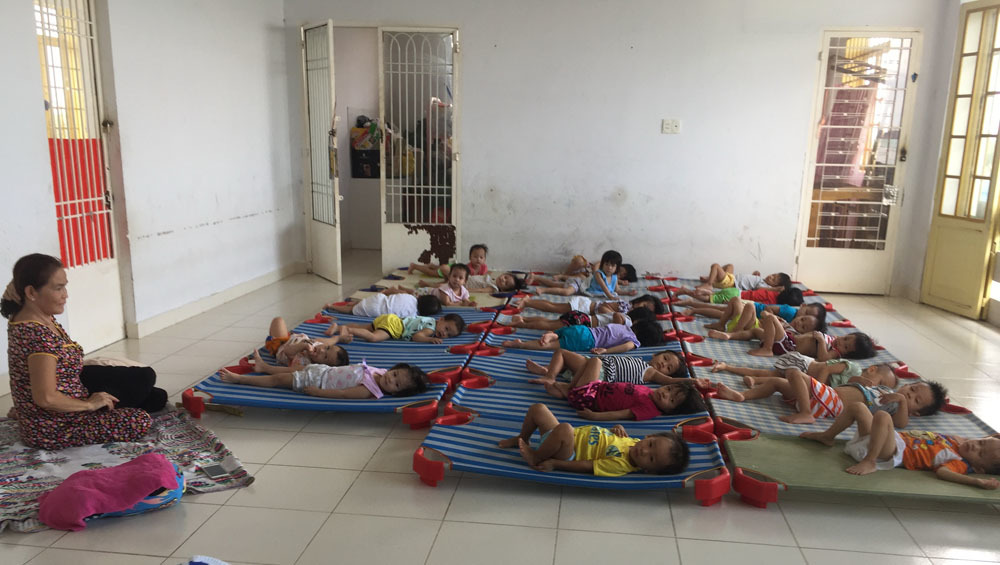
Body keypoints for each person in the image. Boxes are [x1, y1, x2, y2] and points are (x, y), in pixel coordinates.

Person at [2, 253, 162, 450]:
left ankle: (108, 404)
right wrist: (89, 405)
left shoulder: (31, 313)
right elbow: (45, 398)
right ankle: (102, 408)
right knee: (140, 419)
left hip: (71, 384)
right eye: (58, 288)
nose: (65, 295)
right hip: (54, 426)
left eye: (64, 286)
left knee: (155, 394)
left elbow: (21, 285)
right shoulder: (38, 336)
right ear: (31, 292)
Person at [800, 402, 1000, 487]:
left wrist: (976, 482)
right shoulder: (958, 443)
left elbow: (943, 472)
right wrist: (993, 439)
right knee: (857, 407)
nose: (975, 447)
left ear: (978, 468)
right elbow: (981, 442)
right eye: (981, 442)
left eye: (980, 454)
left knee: (882, 416)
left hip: (893, 452)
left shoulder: (959, 462)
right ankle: (827, 436)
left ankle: (870, 461)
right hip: (886, 439)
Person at [497, 403, 690, 476]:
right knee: (538, 409)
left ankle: (536, 457)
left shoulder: (622, 464)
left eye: (651, 458)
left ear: (649, 470)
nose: (644, 451)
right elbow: (616, 439)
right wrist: (618, 428)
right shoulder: (634, 442)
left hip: (567, 452)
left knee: (565, 429)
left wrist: (556, 464)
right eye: (650, 444)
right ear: (649, 436)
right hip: (560, 437)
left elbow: (588, 466)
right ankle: (522, 438)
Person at [711, 367, 946, 425]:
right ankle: (742, 396)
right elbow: (851, 385)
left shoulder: (896, 406)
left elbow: (901, 424)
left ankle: (806, 413)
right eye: (912, 389)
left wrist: (902, 402)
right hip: (826, 397)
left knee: (795, 373)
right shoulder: (885, 391)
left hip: (833, 404)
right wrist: (859, 381)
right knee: (777, 382)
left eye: (915, 400)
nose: (908, 394)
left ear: (916, 412)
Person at [218, 357, 428, 399]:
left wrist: (319, 392)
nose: (391, 379)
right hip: (324, 370)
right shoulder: (381, 372)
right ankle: (264, 367)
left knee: (279, 380)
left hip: (317, 382)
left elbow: (343, 393)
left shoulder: (368, 390)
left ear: (396, 393)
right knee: (292, 369)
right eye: (395, 374)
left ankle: (240, 379)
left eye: (397, 384)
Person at [711, 351, 893, 389]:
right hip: (804, 365)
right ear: (872, 369)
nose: (878, 388)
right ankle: (752, 378)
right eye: (881, 383)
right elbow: (826, 369)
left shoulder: (858, 387)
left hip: (804, 376)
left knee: (774, 377)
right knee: (773, 377)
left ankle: (726, 367)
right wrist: (819, 389)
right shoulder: (853, 368)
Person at [524, 349, 696, 387]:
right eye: (665, 358)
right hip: (593, 363)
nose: (664, 364)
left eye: (668, 368)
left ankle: (550, 376)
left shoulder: (650, 373)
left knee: (562, 354)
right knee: (564, 359)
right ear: (655, 354)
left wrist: (694, 381)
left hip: (600, 372)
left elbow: (670, 381)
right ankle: (548, 370)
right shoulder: (640, 361)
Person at [501, 317, 664, 353]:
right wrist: (606, 351)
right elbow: (627, 346)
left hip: (584, 329)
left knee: (559, 334)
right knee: (548, 346)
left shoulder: (625, 326)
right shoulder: (634, 340)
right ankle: (521, 344)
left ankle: (554, 334)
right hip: (587, 340)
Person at [527, 250, 636, 298]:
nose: (609, 267)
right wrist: (611, 297)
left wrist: (628, 293)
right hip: (580, 284)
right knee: (566, 292)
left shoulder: (614, 277)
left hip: (583, 288)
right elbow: (605, 289)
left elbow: (617, 290)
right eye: (607, 264)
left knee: (556, 285)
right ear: (602, 264)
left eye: (612, 266)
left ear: (617, 267)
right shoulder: (599, 274)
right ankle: (543, 290)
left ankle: (536, 277)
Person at [257, 316, 348, 367]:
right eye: (327, 348)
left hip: (281, 345)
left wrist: (303, 346)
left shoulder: (304, 363)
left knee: (278, 321)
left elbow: (287, 351)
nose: (322, 350)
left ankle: (273, 340)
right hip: (293, 338)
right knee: (321, 341)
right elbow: (322, 342)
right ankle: (337, 338)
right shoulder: (318, 348)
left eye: (325, 357)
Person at [333, 313, 465, 344]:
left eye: (449, 334)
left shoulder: (430, 320)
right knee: (373, 337)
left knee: (365, 327)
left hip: (392, 318)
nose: (444, 333)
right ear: (441, 319)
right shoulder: (430, 329)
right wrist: (430, 340)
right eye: (446, 328)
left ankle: (337, 327)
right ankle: (348, 330)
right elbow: (417, 337)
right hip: (396, 327)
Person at [325, 290, 441, 317]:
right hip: (376, 310)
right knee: (351, 311)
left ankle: (354, 303)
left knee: (363, 302)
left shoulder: (410, 297)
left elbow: (396, 294)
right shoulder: (413, 315)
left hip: (379, 298)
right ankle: (331, 306)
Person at [696, 263, 791, 293]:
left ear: (774, 286)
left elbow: (758, 288)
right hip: (733, 278)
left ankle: (709, 284)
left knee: (715, 266)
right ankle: (712, 278)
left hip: (732, 283)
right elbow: (750, 282)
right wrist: (754, 276)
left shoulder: (765, 286)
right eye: (773, 275)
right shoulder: (762, 280)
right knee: (730, 266)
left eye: (773, 279)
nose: (771, 277)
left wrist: (775, 290)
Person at [408, 243, 489, 278]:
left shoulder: (484, 267)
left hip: (452, 267)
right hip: (449, 270)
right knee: (431, 273)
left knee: (437, 268)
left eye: (481, 257)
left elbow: (483, 277)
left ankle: (433, 266)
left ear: (484, 259)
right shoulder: (468, 268)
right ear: (470, 258)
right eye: (475, 257)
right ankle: (415, 266)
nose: (478, 259)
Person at [676, 285, 803, 306]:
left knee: (714, 295)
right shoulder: (772, 303)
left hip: (737, 291)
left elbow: (758, 288)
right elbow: (753, 304)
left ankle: (704, 290)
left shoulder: (773, 292)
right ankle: (687, 291)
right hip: (737, 298)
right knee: (709, 300)